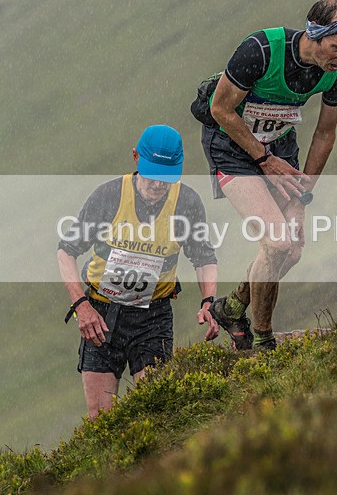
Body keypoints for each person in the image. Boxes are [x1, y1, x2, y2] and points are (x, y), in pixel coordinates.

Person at [199, 0, 337, 351]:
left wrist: (304, 193)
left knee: (291, 250)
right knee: (277, 242)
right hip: (232, 148)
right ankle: (264, 342)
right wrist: (262, 160)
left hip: (279, 147)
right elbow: (220, 109)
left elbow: (325, 134)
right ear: (315, 35)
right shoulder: (260, 49)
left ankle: (231, 307)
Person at [57, 125, 219, 419]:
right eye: (152, 176)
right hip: (100, 315)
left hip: (152, 318)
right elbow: (66, 251)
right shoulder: (108, 196)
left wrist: (208, 301)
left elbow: (203, 256)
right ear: (135, 158)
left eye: (166, 179)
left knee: (155, 409)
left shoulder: (186, 203)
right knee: (101, 418)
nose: (158, 186)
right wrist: (81, 306)